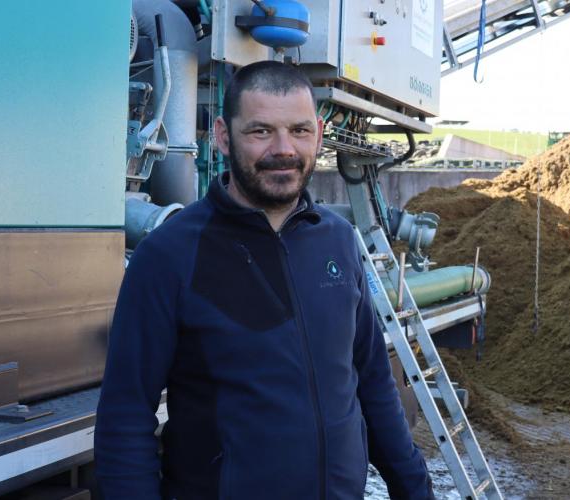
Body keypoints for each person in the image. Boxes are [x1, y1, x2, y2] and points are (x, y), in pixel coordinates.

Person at [94, 61, 433, 499]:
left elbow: (372, 381)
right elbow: (124, 419)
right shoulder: (170, 255)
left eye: (300, 130)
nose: (284, 149)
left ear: (318, 131)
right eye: (260, 132)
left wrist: (416, 489)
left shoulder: (338, 241)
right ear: (222, 135)